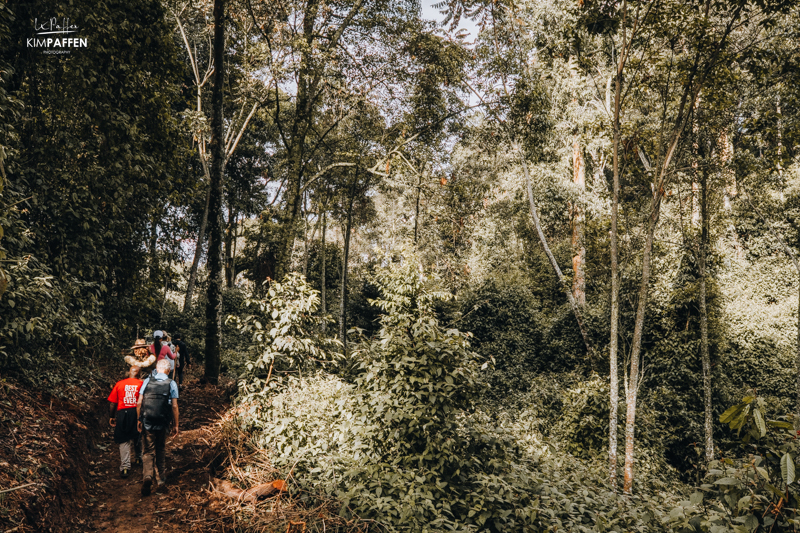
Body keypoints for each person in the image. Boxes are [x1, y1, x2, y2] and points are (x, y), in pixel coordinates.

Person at [136, 358, 179, 496]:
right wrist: (176, 424)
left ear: (157, 368)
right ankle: (161, 478)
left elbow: (139, 402)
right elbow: (174, 406)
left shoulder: (147, 381)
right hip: (163, 421)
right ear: (168, 370)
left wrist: (139, 419)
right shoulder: (171, 383)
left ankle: (147, 476)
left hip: (148, 420)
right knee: (160, 448)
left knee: (148, 450)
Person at [107, 366, 143, 478]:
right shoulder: (141, 384)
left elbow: (113, 403)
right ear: (139, 374)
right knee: (138, 435)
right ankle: (138, 457)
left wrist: (112, 416)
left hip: (123, 413)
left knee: (124, 439)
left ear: (129, 373)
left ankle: (125, 467)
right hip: (137, 412)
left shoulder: (119, 384)